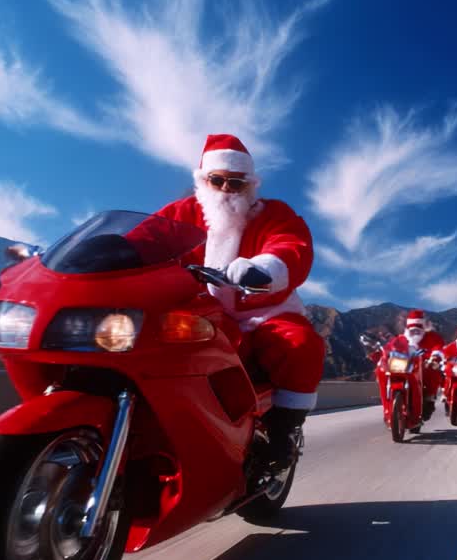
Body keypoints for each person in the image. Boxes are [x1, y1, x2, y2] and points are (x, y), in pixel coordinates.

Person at [132, 134, 323, 469]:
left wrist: (265, 268)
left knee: (300, 344)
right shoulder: (182, 213)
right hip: (194, 313)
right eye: (217, 180)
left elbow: (290, 244)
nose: (225, 189)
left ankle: (283, 431)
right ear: (203, 180)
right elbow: (145, 237)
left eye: (236, 182)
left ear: (250, 184)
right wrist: (107, 251)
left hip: (263, 314)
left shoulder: (273, 214)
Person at [402, 309, 446, 418]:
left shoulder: (432, 337)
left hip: (425, 365)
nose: (415, 331)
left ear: (423, 327)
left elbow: (438, 346)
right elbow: (392, 347)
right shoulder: (402, 338)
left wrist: (435, 356)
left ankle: (429, 397)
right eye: (412, 328)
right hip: (406, 367)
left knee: (433, 371)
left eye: (418, 328)